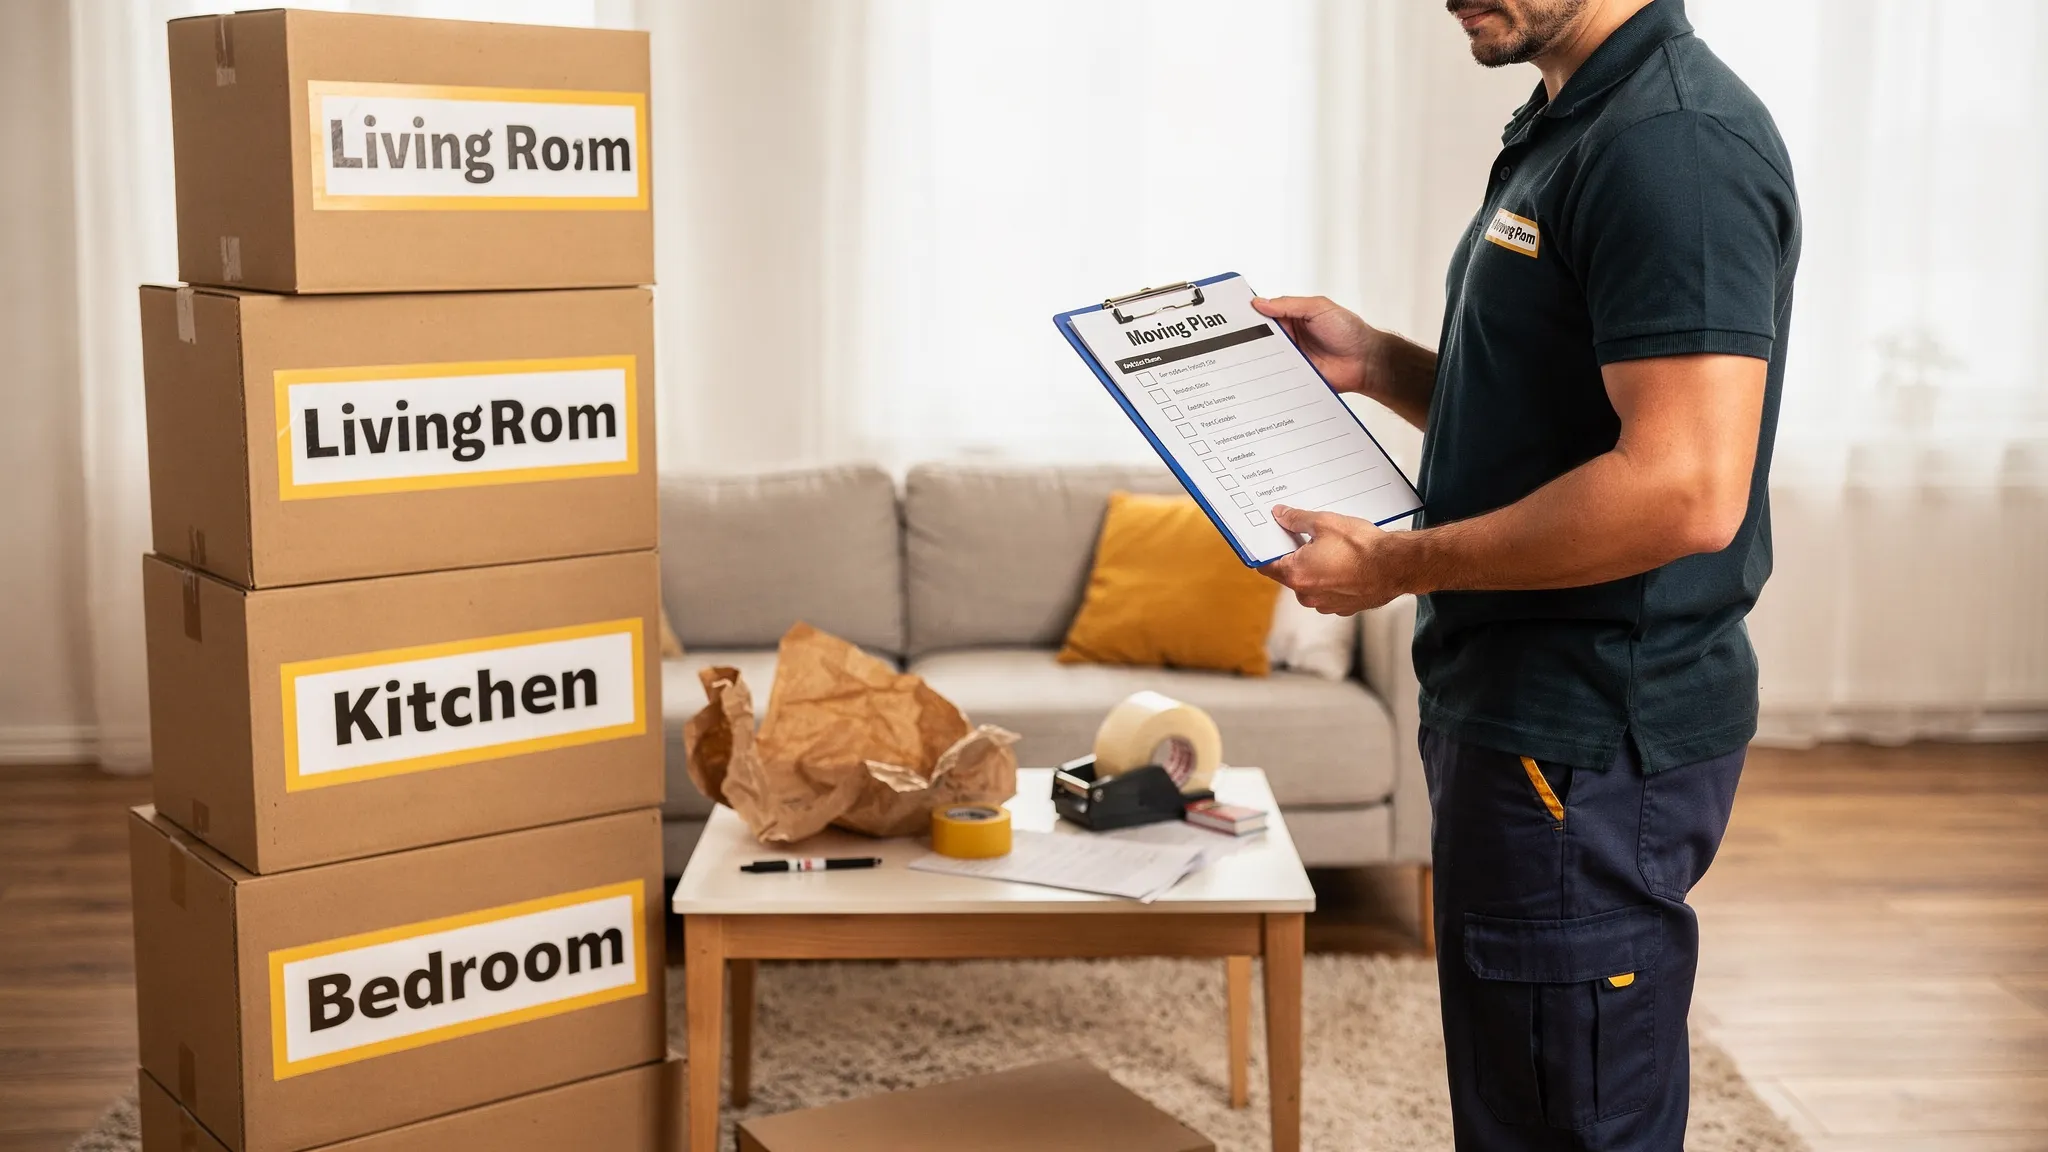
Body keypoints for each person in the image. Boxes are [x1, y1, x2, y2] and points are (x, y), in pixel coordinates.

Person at [1254, 0, 1800, 1147]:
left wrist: (1394, 565)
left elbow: (1682, 490)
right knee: (1519, 1099)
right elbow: (1556, 414)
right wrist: (1378, 363)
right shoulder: (1569, 119)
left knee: (1568, 1118)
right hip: (1518, 710)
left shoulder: (1672, 145)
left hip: (1584, 731)